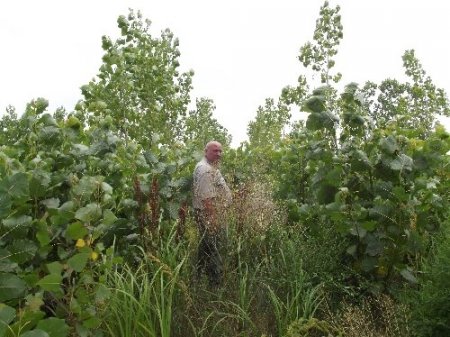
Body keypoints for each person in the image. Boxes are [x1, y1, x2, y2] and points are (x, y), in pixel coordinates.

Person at [192, 141, 232, 286]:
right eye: (215, 151)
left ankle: (197, 280)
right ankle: (215, 285)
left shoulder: (211, 167)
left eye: (220, 151)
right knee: (215, 251)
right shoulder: (205, 170)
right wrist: (214, 220)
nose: (219, 154)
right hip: (209, 216)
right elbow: (207, 201)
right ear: (206, 151)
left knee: (206, 250)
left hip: (211, 216)